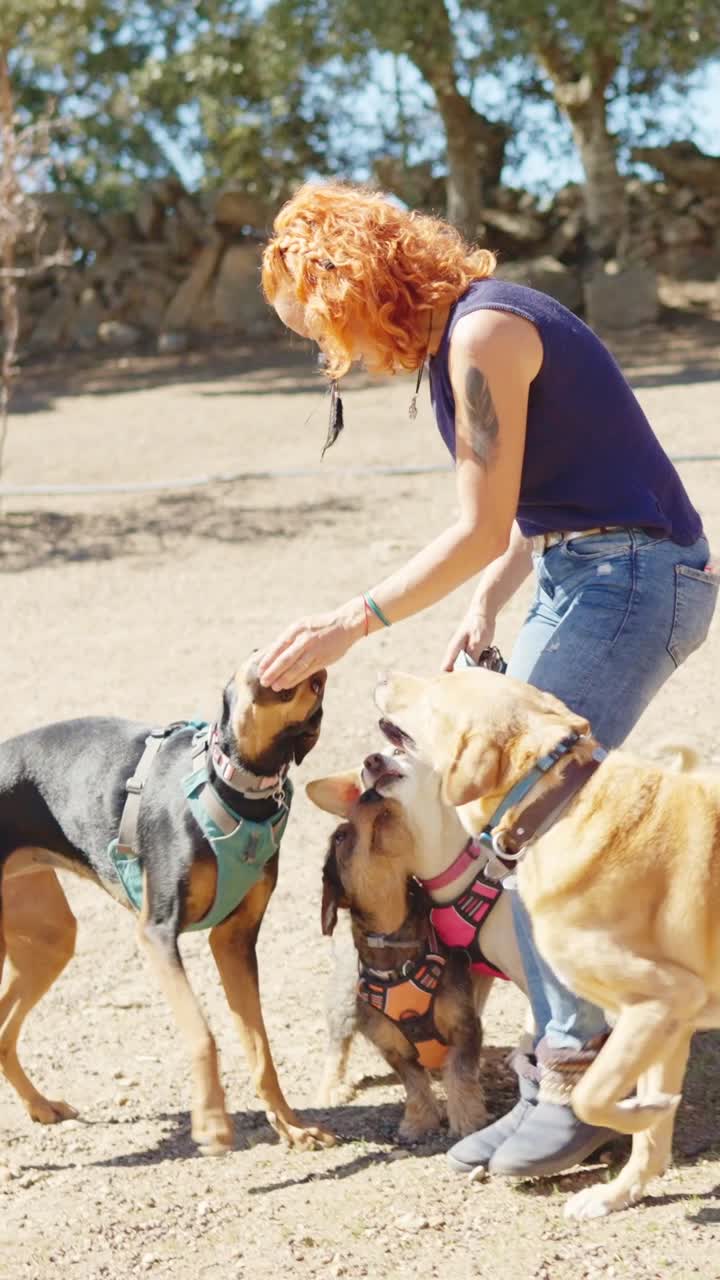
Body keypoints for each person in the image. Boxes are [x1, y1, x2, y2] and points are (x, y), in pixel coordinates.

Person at [257, 180, 718, 1177]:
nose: (335, 358)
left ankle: (577, 1081)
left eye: (324, 331)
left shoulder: (483, 337)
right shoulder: (462, 337)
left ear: (360, 287)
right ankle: (578, 1058)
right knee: (511, 824)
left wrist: (348, 623)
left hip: (633, 576)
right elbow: (530, 505)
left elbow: (474, 524)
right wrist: (486, 604)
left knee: (527, 820)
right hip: (584, 566)